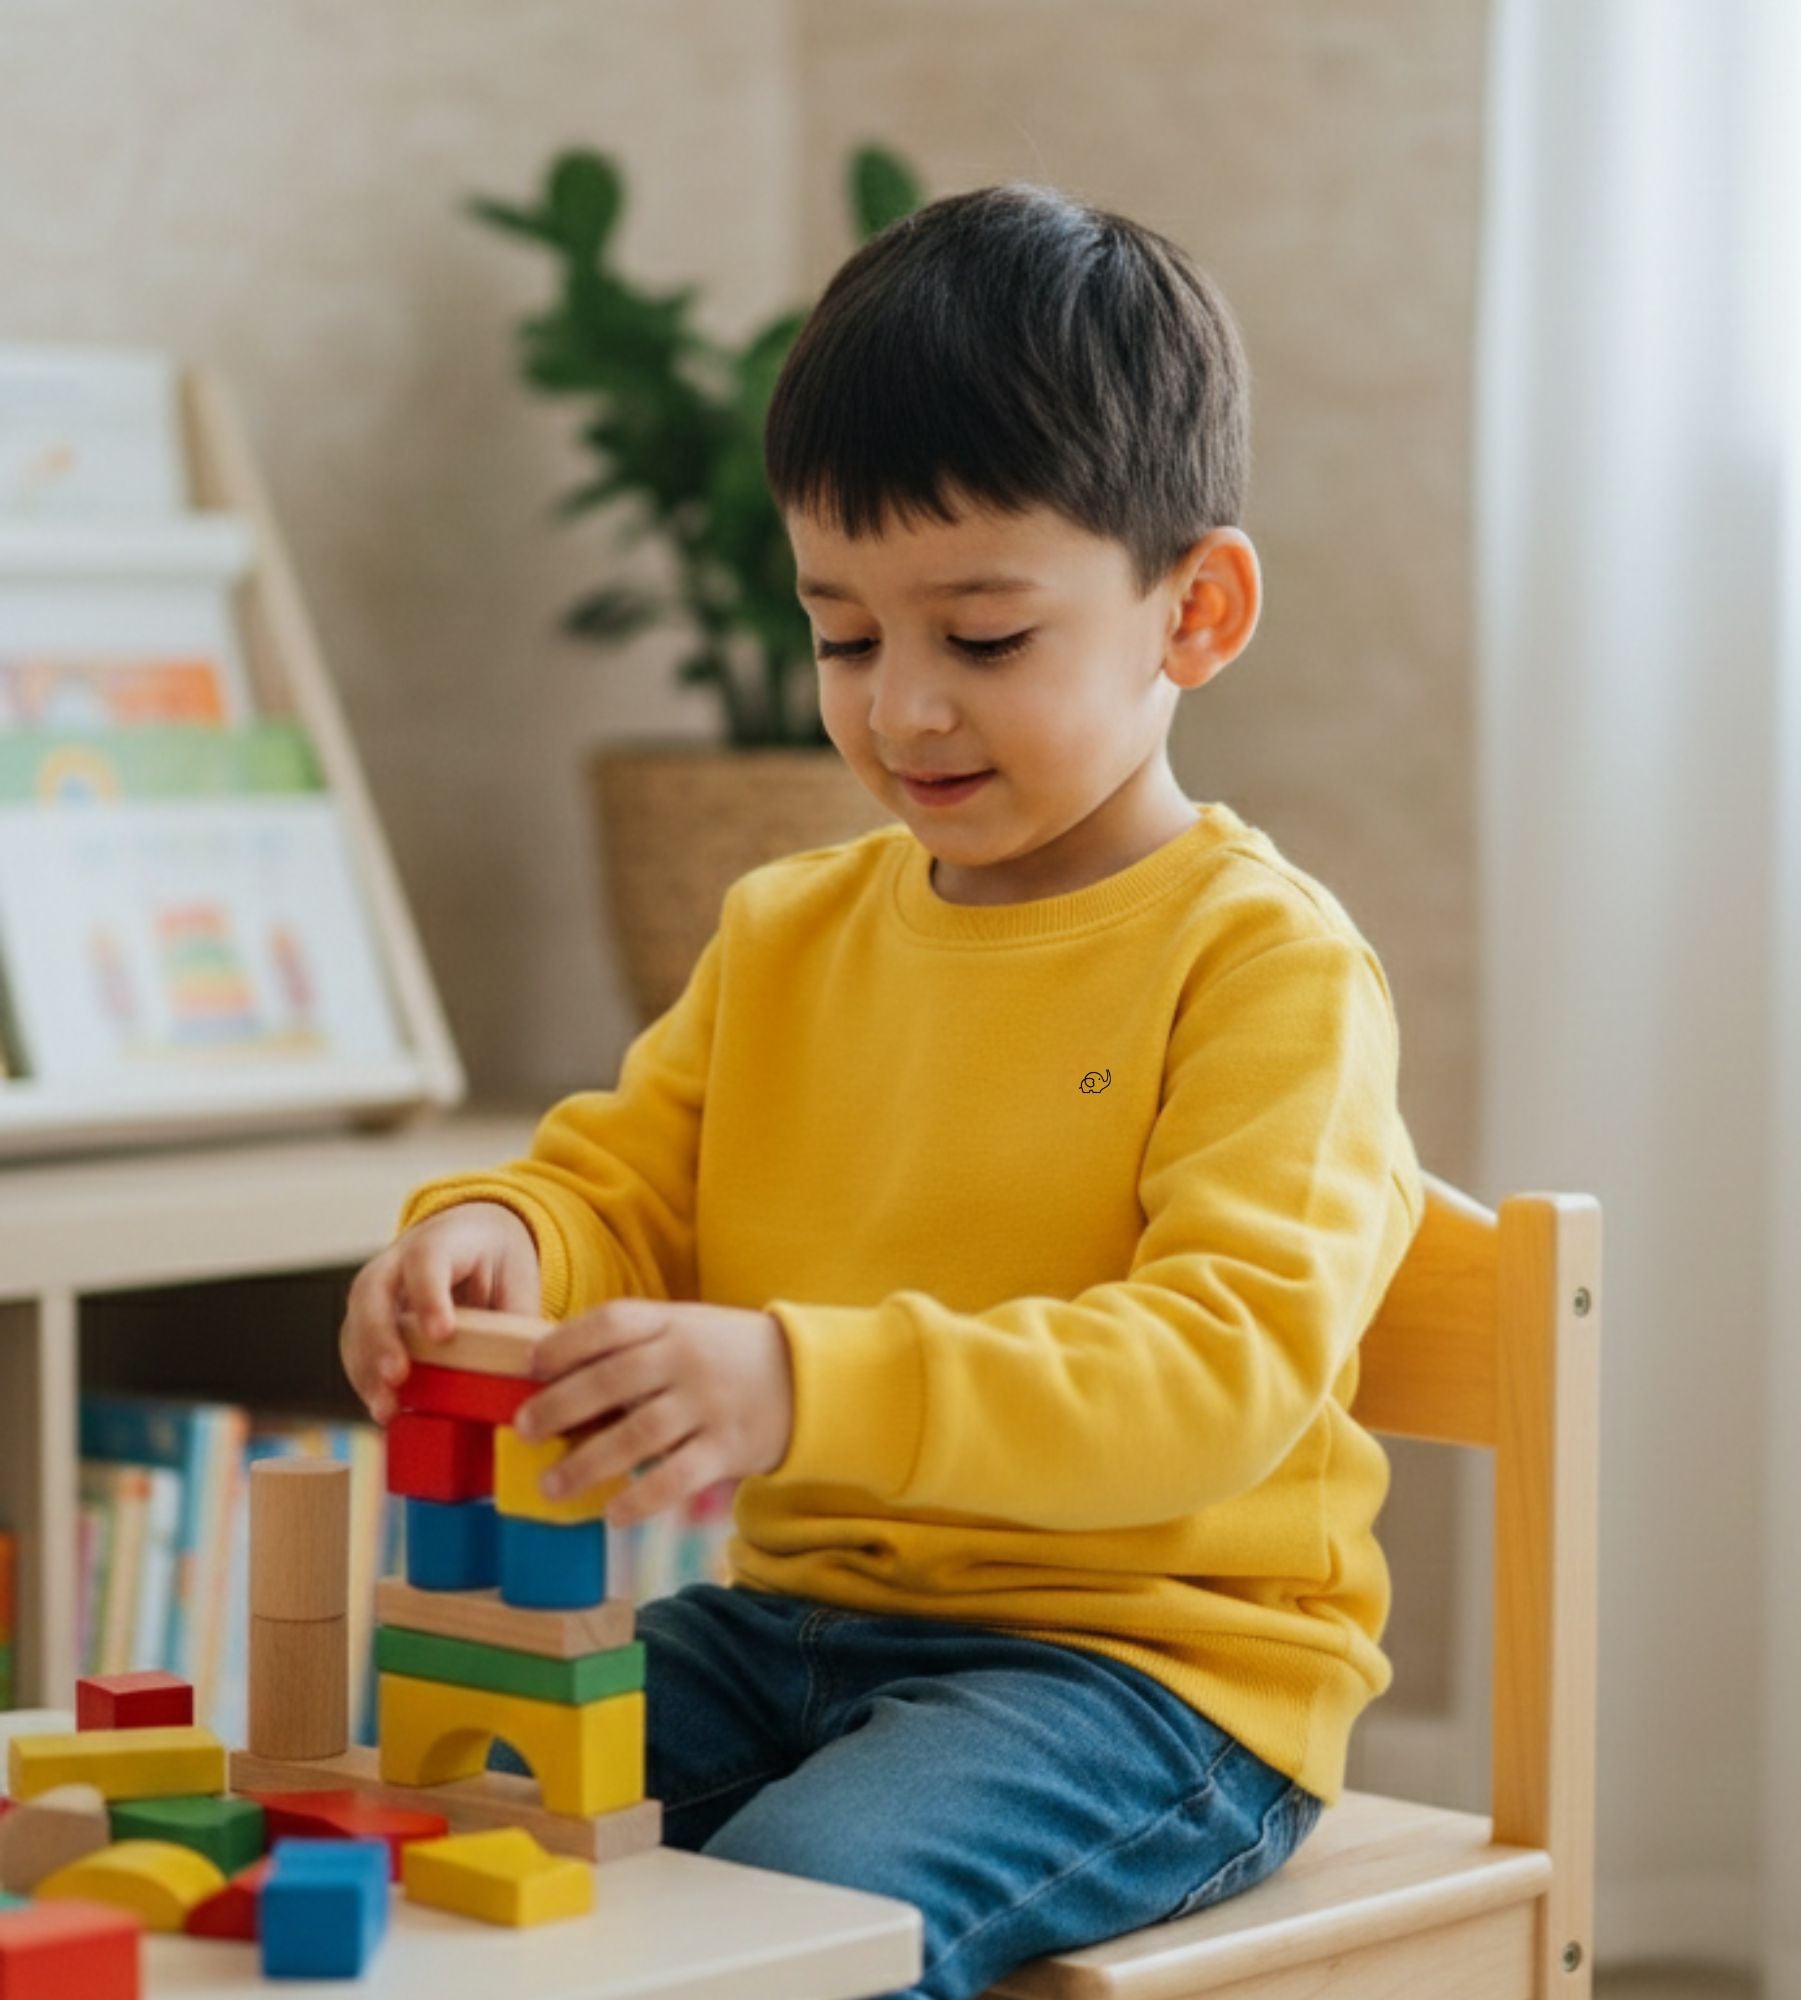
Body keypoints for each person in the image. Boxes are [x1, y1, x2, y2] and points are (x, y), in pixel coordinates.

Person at [339, 180, 1427, 2000]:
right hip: (794, 1627)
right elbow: (623, 1187)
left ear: (1198, 612)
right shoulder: (783, 932)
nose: (902, 709)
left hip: (1152, 1680)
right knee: (435, 1788)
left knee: (797, 1909)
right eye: (844, 636)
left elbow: (1218, 1378)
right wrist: (493, 1237)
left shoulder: (1267, 966)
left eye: (984, 641)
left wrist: (802, 1378)